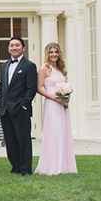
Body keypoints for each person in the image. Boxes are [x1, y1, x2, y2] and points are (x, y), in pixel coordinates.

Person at [0, 36, 38, 175]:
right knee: (10, 140)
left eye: (17, 45)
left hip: (21, 110)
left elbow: (31, 89)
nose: (14, 48)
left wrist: (24, 105)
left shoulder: (29, 66)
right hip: (5, 110)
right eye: (11, 45)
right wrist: (0, 104)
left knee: (23, 140)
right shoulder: (4, 66)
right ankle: (15, 167)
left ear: (23, 48)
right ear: (8, 48)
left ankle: (25, 169)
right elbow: (2, 88)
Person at [35, 42, 77, 175]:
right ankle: (52, 165)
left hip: (63, 104)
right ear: (47, 54)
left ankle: (65, 165)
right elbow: (39, 88)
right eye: (51, 52)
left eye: (56, 52)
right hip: (52, 104)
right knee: (54, 132)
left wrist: (66, 97)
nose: (54, 54)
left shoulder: (61, 69)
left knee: (63, 132)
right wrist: (54, 97)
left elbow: (65, 86)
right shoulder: (44, 68)